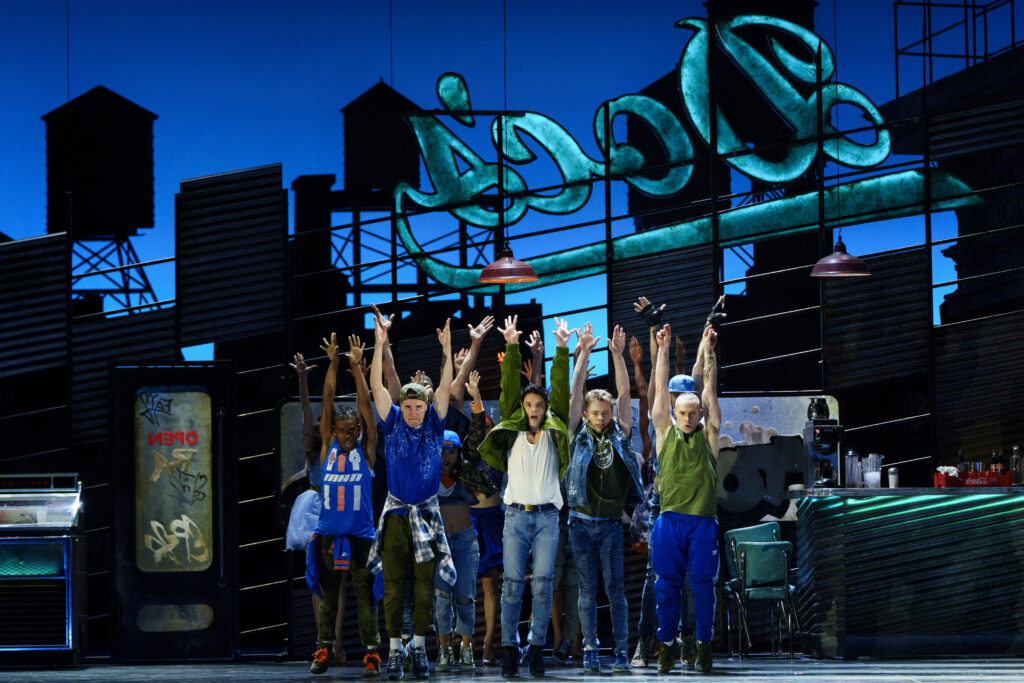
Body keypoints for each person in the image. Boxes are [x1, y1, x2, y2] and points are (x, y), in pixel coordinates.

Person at [476, 315, 573, 678]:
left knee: (544, 585)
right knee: (513, 586)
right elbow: (505, 388)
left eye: (539, 405)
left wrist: (561, 349)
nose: (534, 410)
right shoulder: (514, 428)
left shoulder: (554, 428)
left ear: (546, 409)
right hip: (515, 517)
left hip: (548, 517)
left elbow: (560, 389)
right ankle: (510, 649)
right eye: (529, 405)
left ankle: (536, 647)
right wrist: (513, 346)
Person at [368, 316, 455, 681]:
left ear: (426, 406)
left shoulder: (436, 425)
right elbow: (376, 386)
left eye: (418, 406)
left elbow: (447, 386)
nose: (413, 411)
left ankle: (419, 649)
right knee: (392, 589)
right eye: (408, 406)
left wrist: (447, 351)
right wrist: (379, 342)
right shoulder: (392, 424)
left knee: (424, 588)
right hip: (397, 516)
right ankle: (394, 652)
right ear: (401, 407)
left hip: (427, 517)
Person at [563, 323, 644, 673]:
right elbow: (574, 392)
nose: (600, 418)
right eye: (595, 413)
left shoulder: (621, 434)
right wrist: (582, 353)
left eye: (605, 413)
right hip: (580, 523)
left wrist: (618, 355)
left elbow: (625, 395)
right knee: (586, 591)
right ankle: (591, 650)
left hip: (610, 525)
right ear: (586, 414)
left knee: (615, 591)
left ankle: (622, 651)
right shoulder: (575, 434)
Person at [307, 334, 382, 676]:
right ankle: (323, 649)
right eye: (341, 429)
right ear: (333, 431)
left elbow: (367, 410)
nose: (347, 434)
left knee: (365, 598)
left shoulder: (366, 453)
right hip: (328, 535)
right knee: (327, 596)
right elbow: (326, 401)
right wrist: (333, 364)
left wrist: (356, 368)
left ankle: (371, 653)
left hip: (361, 537)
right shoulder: (327, 450)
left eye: (352, 429)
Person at [650, 322, 721, 674]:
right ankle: (665, 647)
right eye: (684, 413)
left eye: (695, 413)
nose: (690, 417)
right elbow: (661, 392)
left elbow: (710, 389)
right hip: (670, 521)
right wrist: (662, 349)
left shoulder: (710, 436)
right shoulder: (664, 432)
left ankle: (704, 646)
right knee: (667, 588)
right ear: (675, 415)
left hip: (703, 522)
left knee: (704, 587)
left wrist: (709, 352)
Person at [434, 370, 499, 671]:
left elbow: (475, 434)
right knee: (440, 597)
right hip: (438, 541)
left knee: (465, 597)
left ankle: (466, 646)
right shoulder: (429, 475)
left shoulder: (466, 470)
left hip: (464, 539)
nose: (447, 456)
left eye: (452, 450)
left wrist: (476, 401)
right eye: (443, 451)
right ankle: (444, 648)